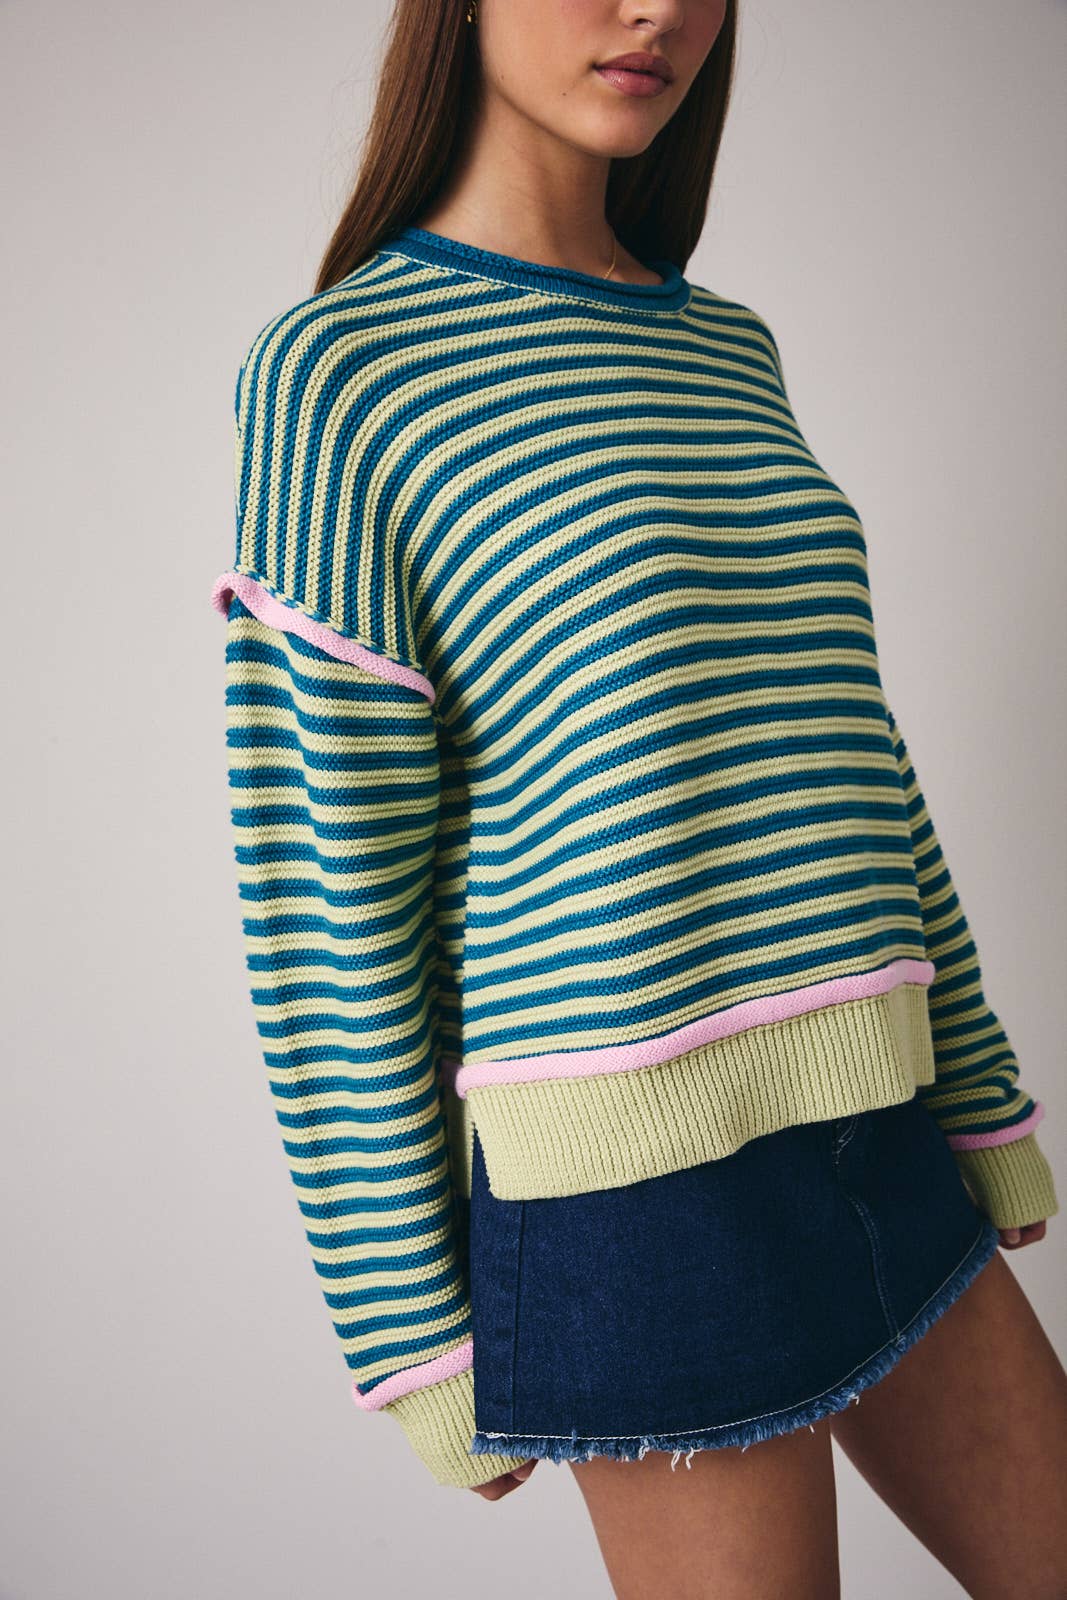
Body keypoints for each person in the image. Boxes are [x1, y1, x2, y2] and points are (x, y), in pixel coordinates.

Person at [208, 1, 1067, 1593]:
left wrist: (974, 1090)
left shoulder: (727, 346)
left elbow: (848, 754)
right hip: (640, 1195)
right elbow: (329, 883)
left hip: (877, 1128)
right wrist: (409, 1329)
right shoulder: (341, 375)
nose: (659, 5)